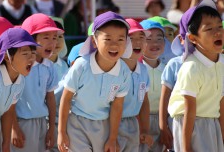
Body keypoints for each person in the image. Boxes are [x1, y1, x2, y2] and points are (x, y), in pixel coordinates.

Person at [58, 11, 132, 152]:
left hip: (104, 126)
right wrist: (61, 132)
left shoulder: (124, 71)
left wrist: (112, 138)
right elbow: (66, 99)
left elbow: (117, 106)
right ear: (94, 41)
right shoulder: (81, 65)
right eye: (108, 39)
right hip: (77, 124)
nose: (114, 45)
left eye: (121, 39)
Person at [168, 0, 224, 152]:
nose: (218, 32)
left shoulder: (221, 63)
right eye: (209, 29)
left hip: (212, 124)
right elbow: (189, 111)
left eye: (220, 26)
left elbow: (221, 102)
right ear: (192, 38)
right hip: (192, 125)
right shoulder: (191, 67)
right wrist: (186, 148)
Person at [11, 13, 63, 152]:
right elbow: (10, 99)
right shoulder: (21, 65)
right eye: (46, 37)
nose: (52, 43)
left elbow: (50, 98)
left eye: (55, 37)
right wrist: (14, 128)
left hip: (41, 123)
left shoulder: (50, 66)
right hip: (22, 122)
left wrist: (51, 128)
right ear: (31, 39)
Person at [119, 18, 153, 151]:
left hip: (133, 124)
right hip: (111, 125)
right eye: (131, 38)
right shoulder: (114, 70)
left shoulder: (143, 70)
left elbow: (144, 102)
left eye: (142, 37)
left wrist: (144, 130)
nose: (138, 42)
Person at [159, 8, 189, 151]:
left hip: (208, 123)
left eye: (169, 33)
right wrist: (163, 126)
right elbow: (164, 98)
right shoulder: (174, 64)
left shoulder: (218, 64)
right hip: (176, 121)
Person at [139, 19, 166, 152]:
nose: (155, 43)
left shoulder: (167, 69)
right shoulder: (136, 70)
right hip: (140, 121)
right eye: (148, 39)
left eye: (159, 38)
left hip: (163, 121)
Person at [48, 17, 69, 152]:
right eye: (52, 37)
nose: (56, 42)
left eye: (60, 37)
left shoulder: (64, 65)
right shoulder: (35, 66)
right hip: (45, 122)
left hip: (63, 122)